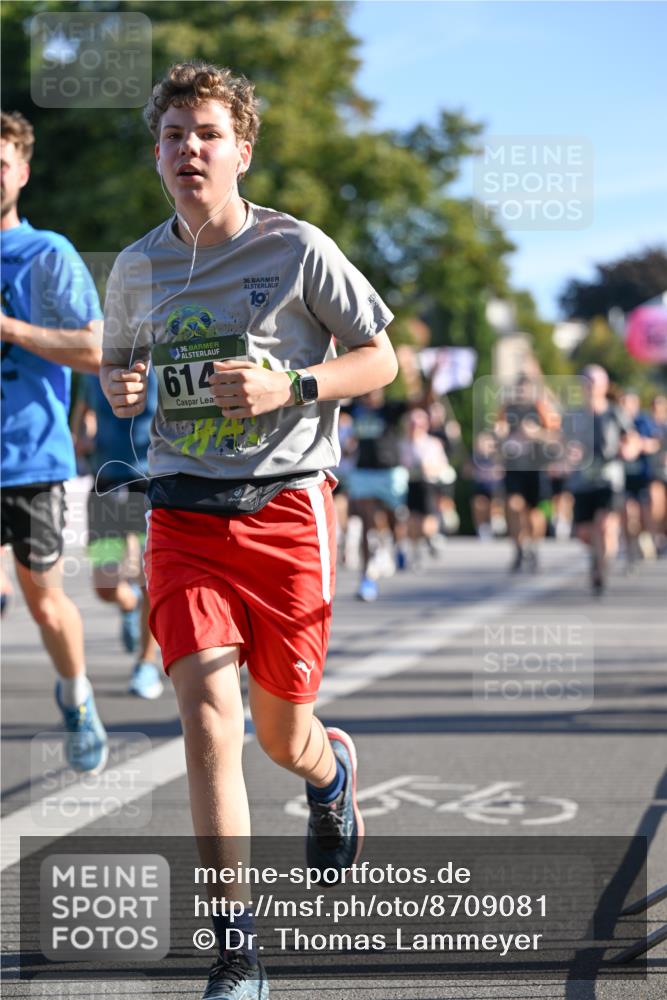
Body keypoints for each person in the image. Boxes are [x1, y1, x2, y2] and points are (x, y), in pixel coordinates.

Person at [100, 62, 398, 1000]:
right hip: (182, 511)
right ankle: (236, 947)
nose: (190, 149)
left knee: (281, 736)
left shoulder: (296, 249)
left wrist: (293, 385)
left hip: (283, 512)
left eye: (207, 134)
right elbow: (120, 371)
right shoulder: (137, 266)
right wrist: (123, 387)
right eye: (174, 135)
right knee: (206, 728)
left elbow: (381, 357)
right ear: (158, 154)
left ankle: (328, 772)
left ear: (242, 149)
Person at [0, 110, 107, 773]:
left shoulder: (48, 256)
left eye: (0, 162)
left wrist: (10, 329)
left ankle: (77, 694)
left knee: (43, 599)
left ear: (22, 171)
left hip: (32, 458)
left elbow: (96, 349)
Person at [71, 370, 163, 698]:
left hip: (150, 477)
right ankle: (127, 605)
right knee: (105, 584)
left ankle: (146, 662)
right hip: (106, 476)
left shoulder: (154, 355)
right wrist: (80, 436)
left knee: (147, 577)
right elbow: (84, 409)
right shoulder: (91, 362)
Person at [566, 365, 630, 595]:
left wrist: (627, 449)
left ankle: (600, 573)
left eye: (595, 382)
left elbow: (630, 439)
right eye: (587, 382)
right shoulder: (572, 415)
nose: (591, 387)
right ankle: (597, 556)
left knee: (604, 526)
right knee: (584, 532)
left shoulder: (615, 413)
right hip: (582, 480)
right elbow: (561, 443)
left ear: (604, 386)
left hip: (609, 477)